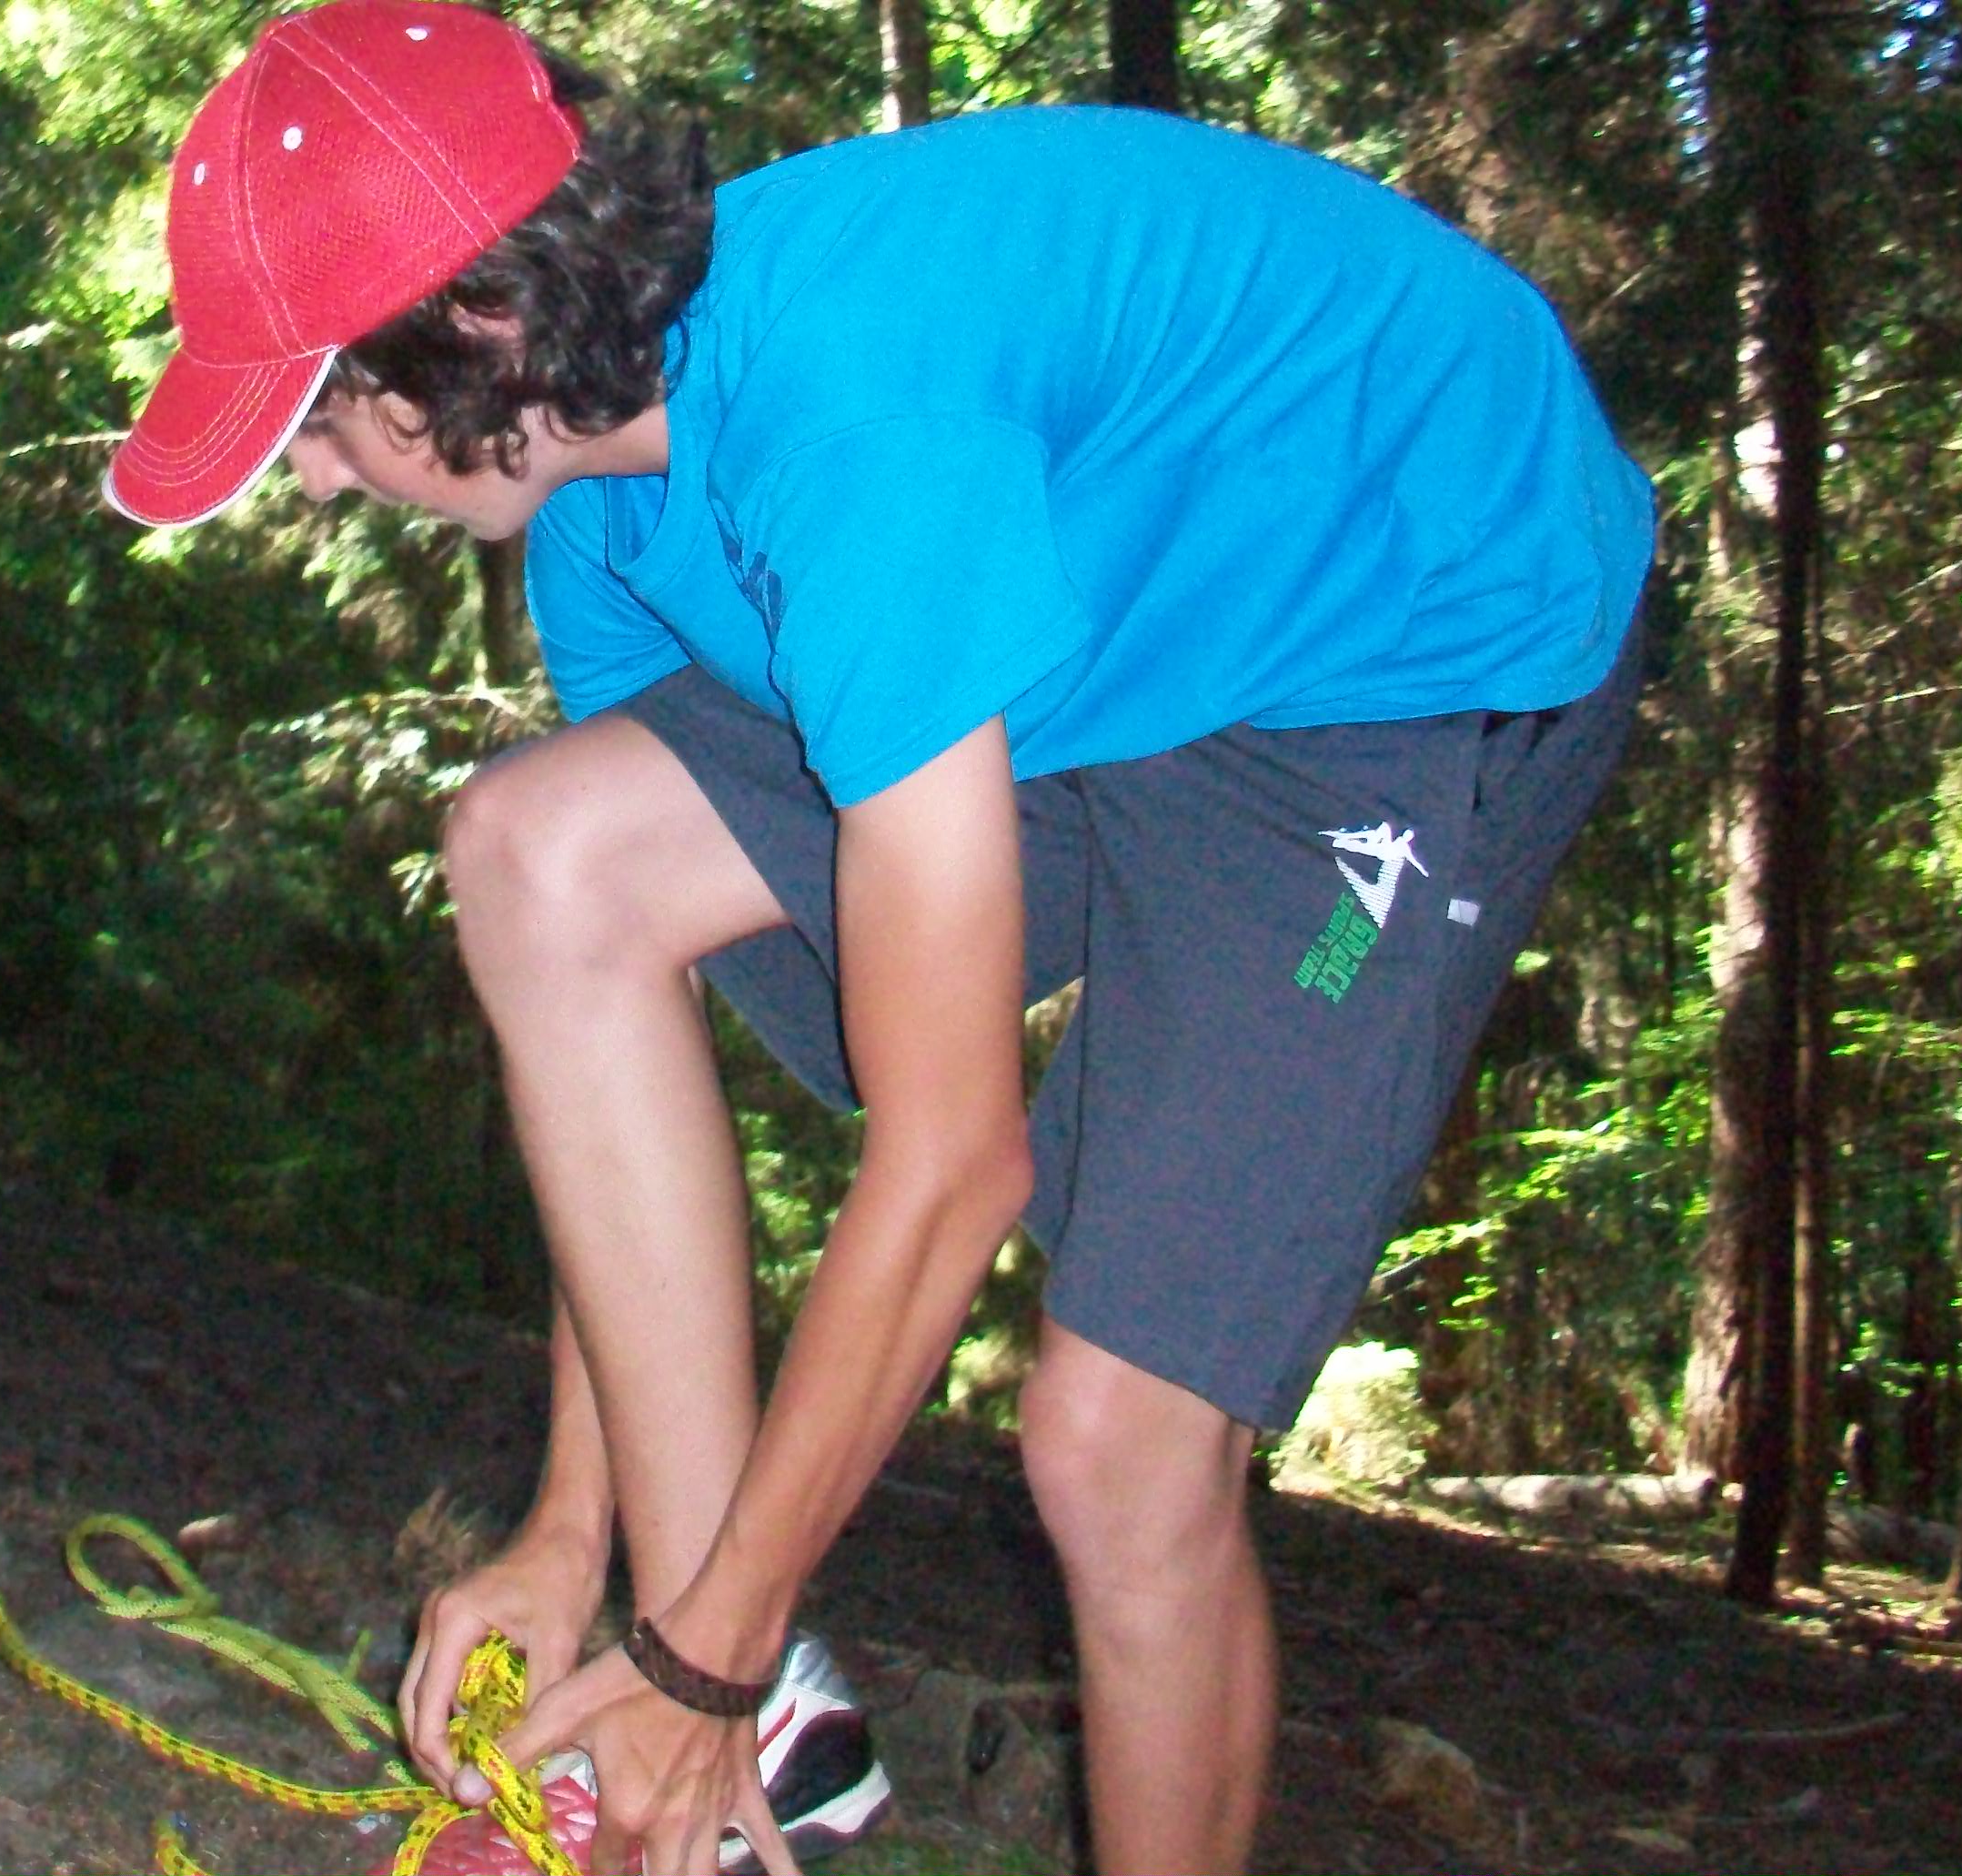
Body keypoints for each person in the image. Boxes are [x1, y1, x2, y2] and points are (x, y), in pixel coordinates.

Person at [105, 5, 1655, 1873]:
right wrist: (569, 1536)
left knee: (1114, 1441)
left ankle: (710, 1682)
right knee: (544, 854)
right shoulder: (607, 523)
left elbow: (951, 1159)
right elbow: (613, 1076)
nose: (313, 480)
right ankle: (747, 1734)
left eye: (316, 415)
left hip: (1390, 642)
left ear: (480, 328)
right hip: (1078, 626)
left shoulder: (848, 421)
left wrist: (696, 1646)